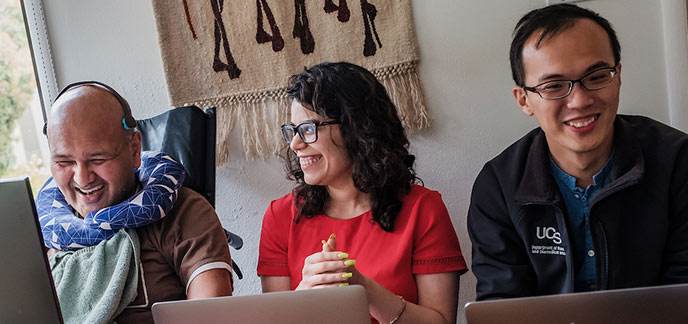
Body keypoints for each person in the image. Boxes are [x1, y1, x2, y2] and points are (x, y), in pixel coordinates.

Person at [467, 4, 688, 301]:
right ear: (524, 100)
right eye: (554, 85)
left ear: (618, 76)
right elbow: (502, 304)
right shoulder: (498, 187)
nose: (580, 100)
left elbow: (682, 292)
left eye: (596, 77)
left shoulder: (678, 162)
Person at [258, 62, 467, 324]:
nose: (295, 144)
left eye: (308, 129)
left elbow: (442, 322)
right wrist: (303, 297)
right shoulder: (280, 217)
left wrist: (365, 291)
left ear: (355, 128)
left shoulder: (423, 209)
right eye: (292, 131)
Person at [39, 81, 233, 323]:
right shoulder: (41, 235)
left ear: (134, 149)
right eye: (64, 162)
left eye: (98, 158)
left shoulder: (183, 212)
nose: (83, 178)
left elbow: (211, 316)